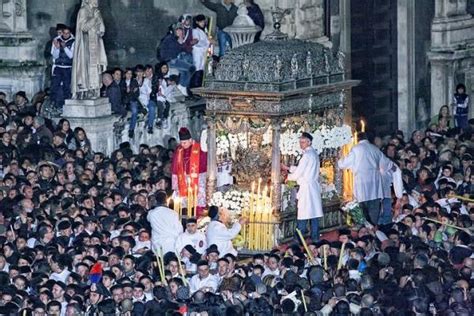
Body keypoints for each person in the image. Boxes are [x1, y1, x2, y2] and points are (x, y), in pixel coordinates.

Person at [281, 132, 323, 241]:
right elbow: (305, 170)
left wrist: (288, 177)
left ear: (309, 142)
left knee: (303, 214)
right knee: (313, 215)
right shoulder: (313, 153)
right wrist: (288, 168)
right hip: (313, 187)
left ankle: (297, 239)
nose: (301, 144)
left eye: (303, 142)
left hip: (307, 188)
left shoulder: (306, 155)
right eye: (300, 142)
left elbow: (299, 173)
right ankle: (315, 237)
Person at [338, 132, 384, 225]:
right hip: (375, 184)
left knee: (363, 210)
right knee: (374, 209)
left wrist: (340, 156)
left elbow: (343, 164)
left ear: (356, 139)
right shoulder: (375, 149)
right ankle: (374, 230)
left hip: (362, 184)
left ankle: (365, 229)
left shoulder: (356, 149)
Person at [71, 0, 107, 99]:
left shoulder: (96, 11)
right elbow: (83, 27)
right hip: (86, 45)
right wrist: (94, 18)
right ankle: (84, 90)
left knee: (95, 67)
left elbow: (102, 29)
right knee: (85, 68)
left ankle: (94, 90)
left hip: (95, 43)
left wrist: (100, 26)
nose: (96, 1)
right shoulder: (83, 11)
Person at [171, 127, 207, 217]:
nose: (183, 144)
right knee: (183, 201)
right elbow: (175, 167)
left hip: (198, 178)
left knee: (198, 199)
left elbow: (204, 164)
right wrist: (175, 184)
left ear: (190, 140)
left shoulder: (199, 148)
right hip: (183, 179)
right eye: (181, 142)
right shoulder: (179, 150)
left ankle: (198, 216)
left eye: (185, 142)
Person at [51, 25, 75, 108]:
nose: (65, 35)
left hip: (67, 68)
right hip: (58, 67)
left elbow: (71, 56)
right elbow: (54, 56)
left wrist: (64, 47)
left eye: (67, 33)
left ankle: (66, 104)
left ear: (70, 33)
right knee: (55, 86)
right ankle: (54, 104)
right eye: (64, 33)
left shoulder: (73, 42)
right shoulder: (56, 40)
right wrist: (57, 48)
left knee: (66, 87)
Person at [191, 15, 210, 88]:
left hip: (203, 53)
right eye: (201, 22)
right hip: (197, 53)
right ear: (197, 22)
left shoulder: (204, 31)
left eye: (203, 22)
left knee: (202, 69)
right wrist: (208, 41)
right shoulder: (195, 31)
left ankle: (199, 86)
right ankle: (194, 87)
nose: (203, 23)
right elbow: (197, 42)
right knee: (197, 69)